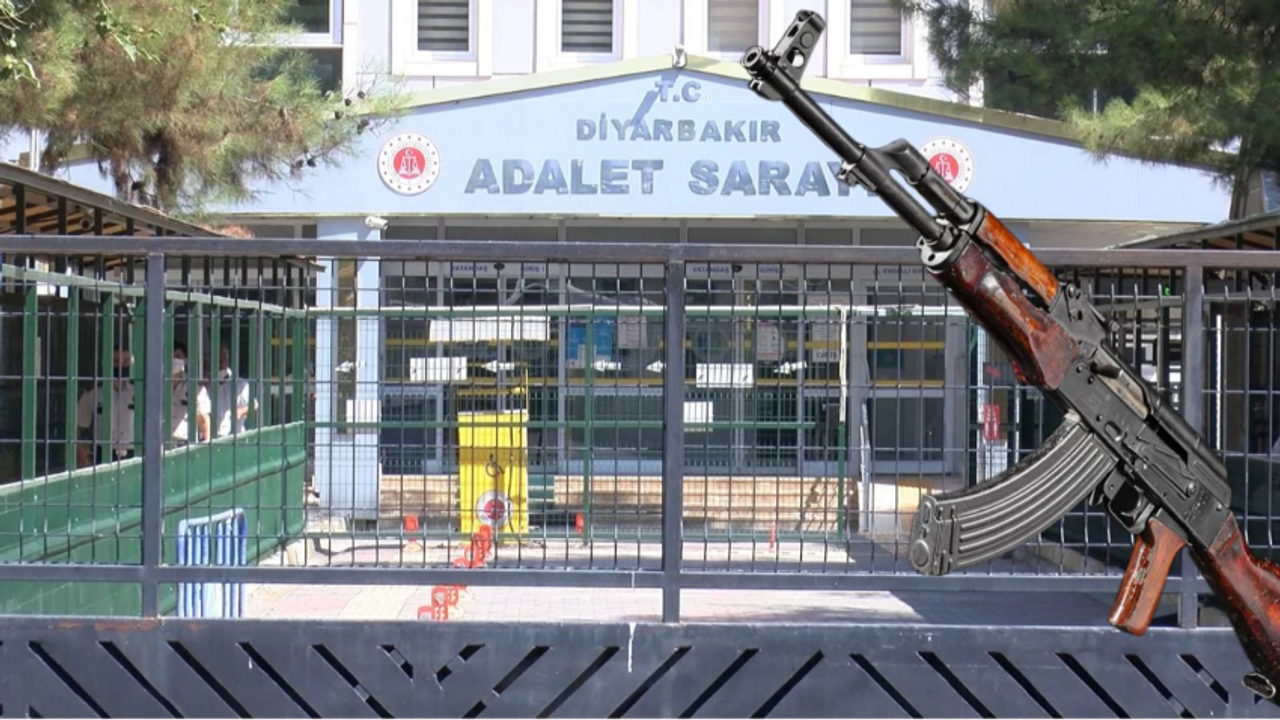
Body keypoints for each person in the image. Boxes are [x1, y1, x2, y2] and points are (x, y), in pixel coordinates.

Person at [75, 348, 136, 466]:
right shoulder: (93, 394)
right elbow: (81, 430)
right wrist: (84, 461)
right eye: (116, 361)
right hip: (103, 454)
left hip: (134, 454)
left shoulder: (140, 392)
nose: (120, 366)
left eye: (125, 362)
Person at [170, 342, 211, 445]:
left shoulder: (195, 388)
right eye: (172, 357)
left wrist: (206, 447)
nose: (174, 360)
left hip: (185, 443)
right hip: (162, 444)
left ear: (185, 360)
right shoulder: (158, 386)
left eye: (178, 356)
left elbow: (203, 419)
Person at [212, 344, 254, 437]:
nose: (221, 358)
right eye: (219, 354)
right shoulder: (209, 383)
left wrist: (240, 411)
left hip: (235, 436)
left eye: (224, 354)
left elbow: (254, 405)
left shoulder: (240, 384)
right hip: (213, 437)